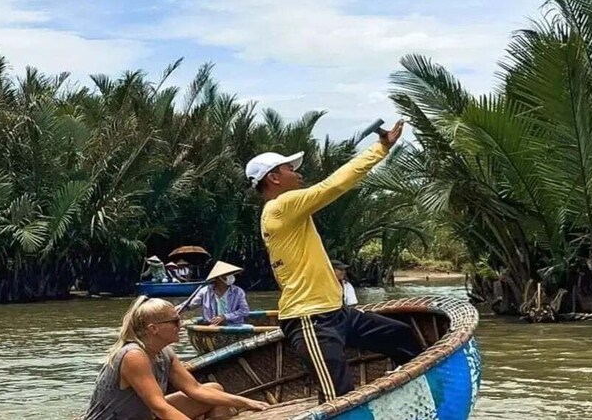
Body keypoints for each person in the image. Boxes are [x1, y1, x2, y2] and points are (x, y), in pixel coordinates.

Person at [246, 120, 421, 403]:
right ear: (274, 178)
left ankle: (411, 395)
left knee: (399, 335)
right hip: (310, 319)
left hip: (336, 313)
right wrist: (382, 147)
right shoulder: (280, 207)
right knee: (337, 397)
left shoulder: (288, 211)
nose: (298, 173)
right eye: (291, 169)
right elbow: (335, 184)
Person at [82, 296, 267, 420]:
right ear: (153, 329)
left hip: (143, 416)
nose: (182, 325)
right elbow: (160, 407)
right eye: (175, 322)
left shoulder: (165, 353)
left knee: (214, 391)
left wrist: (246, 401)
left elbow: (195, 389)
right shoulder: (134, 356)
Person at [181, 261, 249, 326]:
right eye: (226, 275)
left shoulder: (238, 292)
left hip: (233, 325)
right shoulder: (205, 291)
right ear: (219, 278)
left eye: (231, 274)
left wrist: (225, 317)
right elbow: (190, 305)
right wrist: (176, 309)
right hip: (211, 325)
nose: (231, 277)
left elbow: (244, 311)